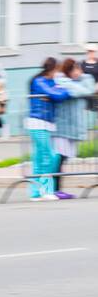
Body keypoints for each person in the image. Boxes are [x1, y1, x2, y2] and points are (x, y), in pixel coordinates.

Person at [25, 58, 72, 200]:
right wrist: (57, 92)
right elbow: (57, 95)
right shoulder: (39, 81)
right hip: (38, 123)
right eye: (57, 70)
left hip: (45, 123)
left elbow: (58, 92)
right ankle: (46, 191)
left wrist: (56, 91)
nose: (58, 73)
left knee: (39, 159)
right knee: (49, 157)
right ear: (51, 70)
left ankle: (35, 192)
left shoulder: (48, 81)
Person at [51, 58, 96, 199]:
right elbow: (81, 91)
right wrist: (83, 88)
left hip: (70, 128)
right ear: (69, 71)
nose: (79, 72)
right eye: (76, 70)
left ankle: (56, 190)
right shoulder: (62, 81)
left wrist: (81, 76)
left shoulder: (77, 80)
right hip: (61, 127)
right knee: (59, 158)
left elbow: (88, 87)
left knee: (63, 158)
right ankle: (54, 189)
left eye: (79, 69)